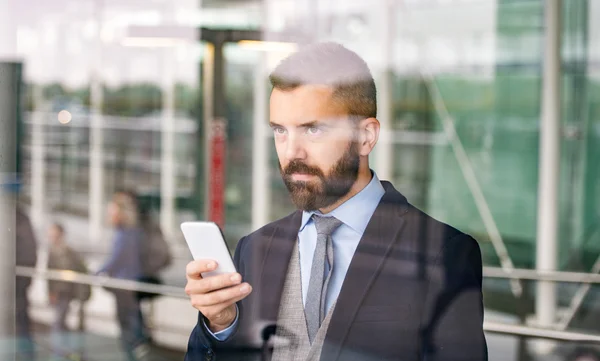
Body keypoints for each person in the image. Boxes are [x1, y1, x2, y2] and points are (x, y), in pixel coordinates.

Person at [184, 42, 487, 361]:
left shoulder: (444, 254)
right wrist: (221, 325)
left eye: (312, 129)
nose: (291, 153)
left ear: (366, 136)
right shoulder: (255, 248)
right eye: (280, 131)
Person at [98, 191, 152, 361]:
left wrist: (98, 271)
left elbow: (117, 259)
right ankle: (140, 347)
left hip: (124, 286)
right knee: (134, 320)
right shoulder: (134, 232)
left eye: (112, 210)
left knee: (128, 326)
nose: (109, 214)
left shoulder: (125, 234)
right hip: (132, 283)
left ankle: (137, 351)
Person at [46, 222, 90, 357]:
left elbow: (79, 271)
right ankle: (63, 350)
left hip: (67, 291)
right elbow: (49, 275)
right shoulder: (52, 251)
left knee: (59, 322)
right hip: (59, 292)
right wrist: (50, 292)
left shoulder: (69, 252)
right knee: (61, 322)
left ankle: (59, 352)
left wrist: (82, 293)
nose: (52, 237)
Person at [15, 205, 38, 359]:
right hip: (19, 279)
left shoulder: (18, 219)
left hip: (17, 280)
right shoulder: (21, 218)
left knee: (20, 320)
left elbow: (28, 254)